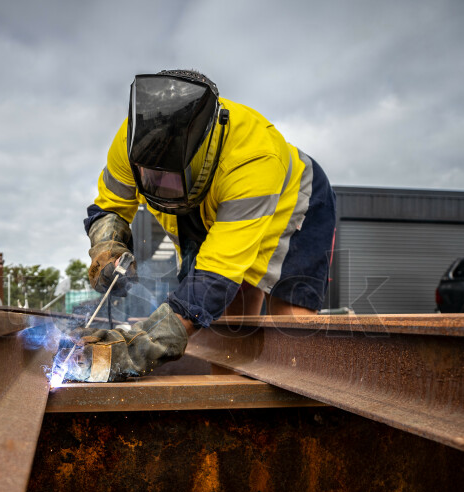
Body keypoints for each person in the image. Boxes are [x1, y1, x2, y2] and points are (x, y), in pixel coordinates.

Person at [64, 69, 336, 383]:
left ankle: (296, 401)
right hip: (209, 202)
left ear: (200, 153)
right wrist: (107, 247)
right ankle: (230, 402)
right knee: (230, 322)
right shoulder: (130, 141)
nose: (158, 190)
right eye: (150, 176)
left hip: (295, 202)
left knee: (290, 326)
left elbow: (215, 277)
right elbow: (109, 206)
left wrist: (135, 350)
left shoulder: (253, 160)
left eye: (168, 178)